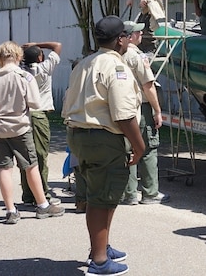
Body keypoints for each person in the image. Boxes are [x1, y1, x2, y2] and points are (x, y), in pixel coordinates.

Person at [63, 15, 146, 276]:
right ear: (120, 39)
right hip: (103, 139)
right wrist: (139, 146)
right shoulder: (116, 68)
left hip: (78, 135)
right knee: (101, 198)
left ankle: (102, 247)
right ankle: (99, 260)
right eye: (127, 36)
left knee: (101, 196)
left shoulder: (84, 63)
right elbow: (123, 113)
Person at [0, 41, 65, 224]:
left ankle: (11, 210)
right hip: (19, 126)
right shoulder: (24, 77)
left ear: (0, 58)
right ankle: (42, 205)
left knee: (4, 168)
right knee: (31, 165)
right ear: (18, 57)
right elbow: (35, 103)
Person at [120, 21, 168, 205]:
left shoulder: (116, 55)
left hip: (124, 108)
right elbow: (148, 86)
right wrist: (157, 110)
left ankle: (129, 193)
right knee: (148, 148)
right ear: (130, 36)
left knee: (129, 149)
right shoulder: (136, 57)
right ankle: (150, 192)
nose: (142, 34)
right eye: (138, 32)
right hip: (142, 108)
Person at [20, 41, 62, 206]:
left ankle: (28, 194)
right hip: (39, 115)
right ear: (40, 57)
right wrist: (37, 43)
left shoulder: (21, 72)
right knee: (41, 156)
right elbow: (57, 46)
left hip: (24, 115)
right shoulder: (45, 68)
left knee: (26, 156)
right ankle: (43, 193)